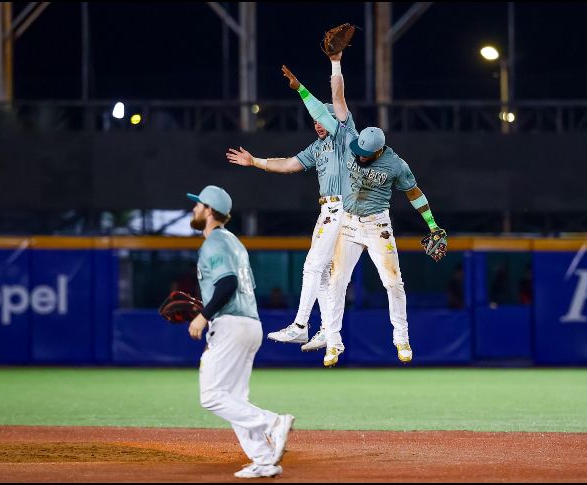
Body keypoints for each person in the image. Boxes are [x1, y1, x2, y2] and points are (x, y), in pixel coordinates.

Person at [281, 55, 447, 368]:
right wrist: (301, 89)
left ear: (379, 151)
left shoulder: (396, 165)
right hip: (347, 222)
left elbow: (414, 193)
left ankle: (402, 338)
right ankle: (332, 341)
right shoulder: (351, 140)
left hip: (377, 225)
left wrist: (432, 224)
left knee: (392, 282)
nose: (358, 157)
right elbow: (329, 104)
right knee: (336, 282)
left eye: (364, 155)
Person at [225, 51, 356, 353]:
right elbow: (287, 164)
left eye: (322, 118)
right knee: (322, 272)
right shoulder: (317, 147)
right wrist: (255, 161)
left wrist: (333, 64)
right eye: (315, 120)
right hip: (331, 210)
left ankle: (300, 326)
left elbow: (338, 94)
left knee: (312, 267)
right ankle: (327, 332)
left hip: (342, 209)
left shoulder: (344, 134)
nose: (318, 123)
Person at [185, 184, 294, 479]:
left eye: (198, 205)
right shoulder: (234, 242)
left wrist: (202, 315)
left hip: (231, 325)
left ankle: (272, 422)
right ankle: (263, 459)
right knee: (235, 399)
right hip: (250, 323)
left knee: (211, 396)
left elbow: (228, 283)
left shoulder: (215, 243)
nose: (194, 209)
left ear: (209, 210)